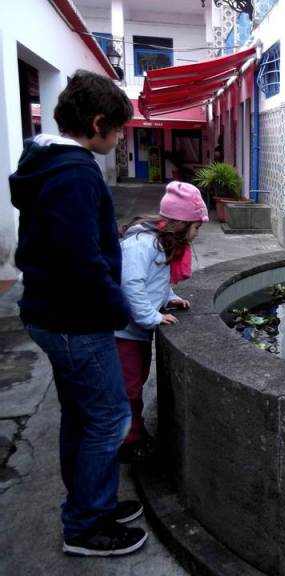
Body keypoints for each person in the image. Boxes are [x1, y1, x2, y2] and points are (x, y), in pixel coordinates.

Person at [9, 70, 147, 556]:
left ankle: (94, 500)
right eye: (118, 130)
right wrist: (116, 306)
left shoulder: (45, 161)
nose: (120, 139)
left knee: (82, 416)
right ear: (97, 122)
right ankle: (86, 525)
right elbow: (81, 257)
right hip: (75, 319)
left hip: (54, 313)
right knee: (109, 418)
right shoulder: (74, 173)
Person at [116, 181, 208, 462]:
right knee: (130, 387)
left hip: (136, 332)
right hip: (122, 333)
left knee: (137, 380)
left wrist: (170, 297)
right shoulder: (141, 244)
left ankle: (135, 429)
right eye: (196, 226)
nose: (197, 233)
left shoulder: (163, 242)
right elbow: (131, 283)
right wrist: (151, 316)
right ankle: (130, 440)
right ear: (181, 224)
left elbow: (157, 281)